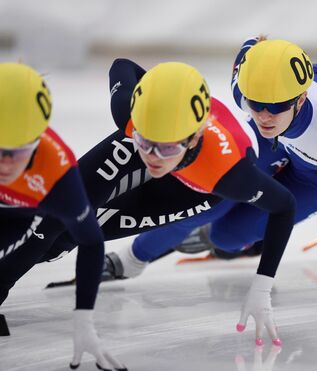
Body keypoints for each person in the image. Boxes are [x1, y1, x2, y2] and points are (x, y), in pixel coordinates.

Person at [119, 38, 317, 319]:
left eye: (276, 106)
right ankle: (133, 258)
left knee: (226, 235)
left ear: (299, 98)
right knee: (209, 197)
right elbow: (255, 43)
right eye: (256, 105)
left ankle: (232, 240)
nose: (265, 116)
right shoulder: (247, 89)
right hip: (287, 136)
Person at [41, 59, 297, 346]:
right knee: (53, 219)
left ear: (192, 139)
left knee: (71, 233)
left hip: (197, 184)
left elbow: (284, 206)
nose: (155, 156)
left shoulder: (229, 175)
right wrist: (157, 96)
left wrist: (262, 288)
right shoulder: (131, 118)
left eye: (166, 147)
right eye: (147, 141)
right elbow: (121, 65)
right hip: (166, 148)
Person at [0, 63, 125, 370]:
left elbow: (92, 241)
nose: (4, 165)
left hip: (24, 215)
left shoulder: (56, 169)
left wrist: (84, 318)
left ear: (38, 140)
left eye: (16, 152)